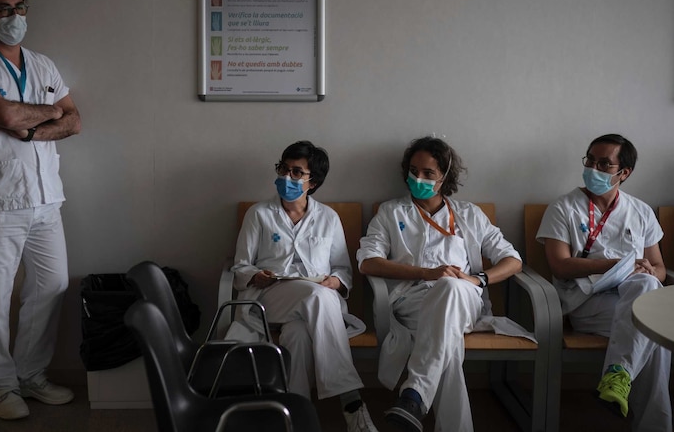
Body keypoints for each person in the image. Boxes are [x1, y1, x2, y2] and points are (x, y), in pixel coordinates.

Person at [0, 0, 82, 420]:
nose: (13, 16)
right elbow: (4, 113)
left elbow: (76, 120)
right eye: (3, 8)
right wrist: (48, 114)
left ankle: (31, 374)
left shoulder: (44, 65)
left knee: (51, 285)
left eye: (19, 6)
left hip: (46, 199)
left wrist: (29, 125)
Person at [357, 136, 525, 432]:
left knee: (451, 287)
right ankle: (415, 398)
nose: (417, 178)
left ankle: (415, 393)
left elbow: (513, 260)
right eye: (413, 170)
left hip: (465, 300)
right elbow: (368, 261)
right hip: (413, 303)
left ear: (445, 177)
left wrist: (477, 279)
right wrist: (425, 273)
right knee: (447, 344)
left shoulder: (470, 214)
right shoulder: (391, 212)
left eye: (428, 173)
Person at [231, 141, 380, 432]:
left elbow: (342, 269)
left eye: (297, 172)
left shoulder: (328, 218)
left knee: (297, 334)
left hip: (313, 305)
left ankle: (296, 418)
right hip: (269, 297)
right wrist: (255, 275)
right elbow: (239, 268)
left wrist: (336, 281)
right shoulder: (259, 214)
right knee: (317, 295)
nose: (287, 177)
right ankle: (351, 402)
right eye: (284, 169)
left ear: (313, 182)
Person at [537, 134, 671, 431]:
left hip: (632, 297)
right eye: (590, 160)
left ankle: (617, 376)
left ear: (624, 173)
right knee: (654, 332)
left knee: (647, 294)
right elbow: (559, 265)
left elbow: (660, 268)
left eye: (604, 164)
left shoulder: (641, 211)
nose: (593, 168)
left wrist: (648, 271)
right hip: (586, 300)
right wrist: (619, 264)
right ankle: (656, 425)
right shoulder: (563, 208)